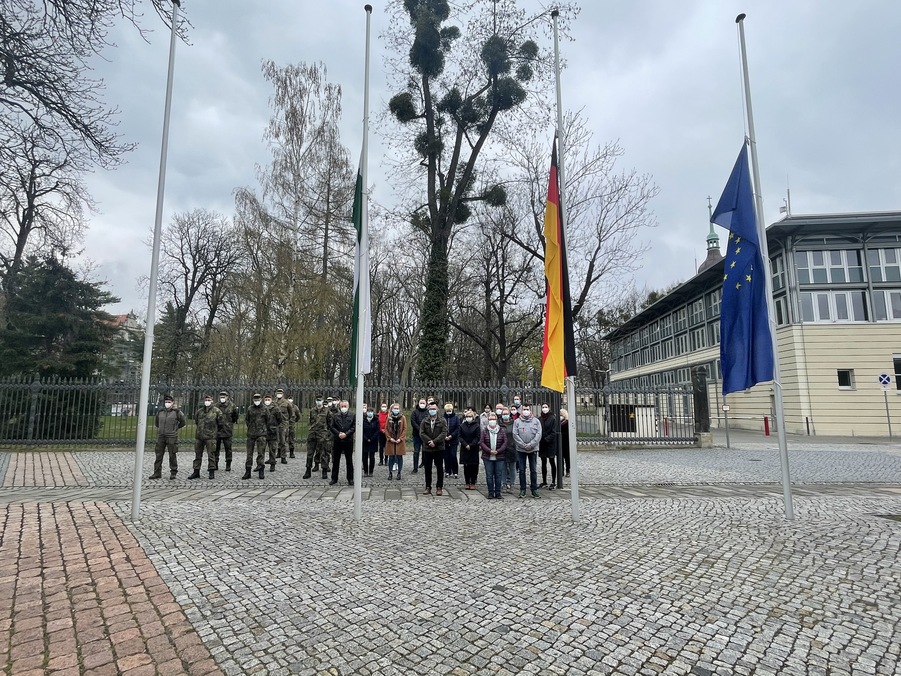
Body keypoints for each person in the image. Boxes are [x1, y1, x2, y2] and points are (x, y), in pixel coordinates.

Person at [150, 395, 185, 480]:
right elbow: (157, 423)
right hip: (161, 436)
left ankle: (173, 472)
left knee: (172, 455)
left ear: (173, 403)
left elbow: (183, 422)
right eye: (166, 402)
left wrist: (175, 429)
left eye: (169, 402)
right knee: (158, 455)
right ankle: (157, 472)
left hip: (172, 437)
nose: (167, 404)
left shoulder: (177, 412)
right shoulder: (160, 412)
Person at [512, 403, 542, 498]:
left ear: (530, 410)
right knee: (521, 470)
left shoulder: (536, 421)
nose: (526, 411)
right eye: (524, 409)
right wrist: (523, 445)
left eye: (527, 409)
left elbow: (538, 434)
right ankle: (522, 489)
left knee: (533, 470)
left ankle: (534, 490)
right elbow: (515, 434)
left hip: (533, 449)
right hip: (521, 450)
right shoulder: (517, 422)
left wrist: (531, 445)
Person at [190, 394, 222, 480]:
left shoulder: (217, 411)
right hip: (199, 436)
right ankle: (196, 471)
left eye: (209, 400)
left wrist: (214, 433)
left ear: (212, 401)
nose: (207, 401)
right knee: (197, 455)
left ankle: (211, 471)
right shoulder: (200, 411)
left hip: (210, 437)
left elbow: (220, 423)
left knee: (211, 455)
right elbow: (196, 421)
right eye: (206, 400)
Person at [419, 400, 447, 495]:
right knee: (428, 468)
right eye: (431, 409)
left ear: (437, 409)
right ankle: (428, 486)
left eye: (434, 409)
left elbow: (444, 433)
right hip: (427, 448)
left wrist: (434, 441)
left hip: (439, 448)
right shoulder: (425, 421)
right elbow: (421, 433)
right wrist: (429, 441)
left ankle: (439, 487)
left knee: (439, 468)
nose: (432, 411)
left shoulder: (442, 420)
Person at [480, 411, 507, 499]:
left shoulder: (501, 430)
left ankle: (498, 492)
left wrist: (498, 451)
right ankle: (490, 492)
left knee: (498, 475)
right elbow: (482, 442)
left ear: (496, 420)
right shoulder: (484, 431)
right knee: (489, 475)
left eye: (493, 419)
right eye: (490, 419)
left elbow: (505, 442)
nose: (492, 421)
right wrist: (489, 451)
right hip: (487, 456)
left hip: (499, 456)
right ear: (488, 420)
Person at [243, 393, 269, 480]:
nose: (256, 401)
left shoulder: (265, 409)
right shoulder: (250, 409)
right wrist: (250, 427)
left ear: (261, 399)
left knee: (261, 453)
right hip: (251, 434)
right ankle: (248, 471)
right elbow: (247, 419)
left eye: (258, 399)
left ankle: (261, 470)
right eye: (255, 399)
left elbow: (268, 420)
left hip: (261, 434)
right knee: (249, 454)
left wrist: (264, 429)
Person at [304, 395, 331, 479]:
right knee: (310, 453)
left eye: (320, 400)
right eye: (317, 400)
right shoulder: (312, 410)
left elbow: (330, 423)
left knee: (324, 453)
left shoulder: (327, 411)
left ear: (323, 401)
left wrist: (327, 434)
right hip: (312, 434)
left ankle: (324, 470)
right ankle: (308, 470)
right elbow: (310, 422)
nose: (318, 402)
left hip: (322, 434)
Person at [329, 399, 355, 486]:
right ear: (339, 407)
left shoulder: (352, 415)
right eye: (342, 406)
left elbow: (354, 427)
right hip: (337, 440)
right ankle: (334, 478)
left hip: (348, 440)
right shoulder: (335, 416)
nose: (344, 408)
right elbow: (332, 427)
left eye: (345, 406)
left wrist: (346, 434)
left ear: (348, 407)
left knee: (349, 460)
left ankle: (350, 478)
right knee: (336, 460)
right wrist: (338, 433)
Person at [214, 390, 239, 472]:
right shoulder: (216, 406)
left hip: (227, 430)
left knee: (228, 449)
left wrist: (230, 423)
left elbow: (235, 416)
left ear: (227, 397)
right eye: (221, 397)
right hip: (217, 430)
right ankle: (215, 463)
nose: (222, 398)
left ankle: (228, 464)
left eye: (224, 397)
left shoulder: (232, 406)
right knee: (215, 449)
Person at [458, 407, 481, 490]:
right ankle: (467, 482)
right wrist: (465, 444)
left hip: (474, 448)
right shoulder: (462, 426)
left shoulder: (476, 426)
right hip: (465, 448)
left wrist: (471, 445)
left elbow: (478, 437)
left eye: (470, 416)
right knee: (466, 466)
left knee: (474, 466)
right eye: (467, 416)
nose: (469, 418)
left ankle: (473, 482)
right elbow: (459, 436)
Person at [384, 403, 407, 480]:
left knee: (399, 456)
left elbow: (404, 429)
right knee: (391, 457)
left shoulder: (403, 418)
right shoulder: (389, 418)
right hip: (391, 440)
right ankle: (390, 473)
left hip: (399, 440)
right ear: (392, 409)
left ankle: (399, 473)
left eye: (397, 408)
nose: (396, 410)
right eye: (394, 408)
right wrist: (390, 438)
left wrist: (400, 438)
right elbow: (386, 429)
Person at [539, 403, 558, 489]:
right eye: (543, 407)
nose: (544, 408)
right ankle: (544, 481)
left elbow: (554, 432)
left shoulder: (553, 418)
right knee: (543, 462)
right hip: (542, 443)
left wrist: (547, 439)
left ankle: (553, 481)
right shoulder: (539, 419)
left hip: (550, 443)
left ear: (549, 408)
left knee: (552, 461)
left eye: (546, 407)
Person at [273, 387, 295, 464]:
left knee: (282, 441)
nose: (279, 394)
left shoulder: (286, 402)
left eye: (280, 393)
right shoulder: (273, 402)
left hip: (283, 423)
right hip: (275, 424)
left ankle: (283, 456)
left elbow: (291, 413)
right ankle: (277, 454)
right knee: (274, 441)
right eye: (277, 393)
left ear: (283, 394)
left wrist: (285, 420)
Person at [263, 395, 283, 471]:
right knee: (261, 450)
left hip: (272, 431)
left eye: (268, 399)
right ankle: (260, 464)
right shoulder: (262, 408)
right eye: (266, 399)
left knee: (272, 449)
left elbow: (280, 419)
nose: (267, 401)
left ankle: (272, 464)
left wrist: (274, 426)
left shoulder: (276, 409)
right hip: (263, 431)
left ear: (271, 400)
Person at [501, 405, 517, 493]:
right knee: (503, 467)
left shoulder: (514, 423)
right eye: (504, 414)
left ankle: (512, 484)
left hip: (512, 448)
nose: (505, 415)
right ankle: (504, 483)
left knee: (512, 467)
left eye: (506, 413)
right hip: (502, 448)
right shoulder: (499, 424)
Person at [410, 397, 428, 473]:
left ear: (426, 404)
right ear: (418, 403)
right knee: (416, 451)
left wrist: (423, 430)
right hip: (416, 435)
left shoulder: (428, 412)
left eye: (423, 403)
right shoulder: (414, 412)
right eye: (421, 403)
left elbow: (428, 421)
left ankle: (426, 465)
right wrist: (420, 429)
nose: (422, 404)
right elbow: (413, 422)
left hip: (426, 435)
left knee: (426, 451)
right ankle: (415, 468)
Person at [443, 402, 460, 479]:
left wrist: (451, 436)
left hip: (453, 440)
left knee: (453, 456)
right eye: (447, 410)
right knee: (446, 456)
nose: (448, 411)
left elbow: (457, 428)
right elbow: (442, 428)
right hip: (445, 440)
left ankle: (455, 471)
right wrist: (445, 436)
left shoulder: (456, 418)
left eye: (450, 410)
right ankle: (447, 471)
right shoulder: (443, 417)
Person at [362, 406, 380, 477]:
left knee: (372, 457)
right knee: (364, 457)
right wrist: (366, 438)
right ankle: (366, 471)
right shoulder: (363, 420)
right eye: (368, 411)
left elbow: (377, 430)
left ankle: (371, 471)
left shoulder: (376, 420)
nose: (370, 413)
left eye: (371, 412)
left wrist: (372, 438)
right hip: (365, 440)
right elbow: (361, 430)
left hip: (373, 440)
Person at [377, 402, 389, 466]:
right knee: (381, 447)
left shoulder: (389, 415)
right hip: (380, 433)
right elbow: (377, 424)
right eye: (383, 406)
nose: (384, 408)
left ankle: (386, 460)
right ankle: (381, 460)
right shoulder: (378, 415)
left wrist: (386, 430)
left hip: (387, 433)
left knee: (387, 447)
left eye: (385, 406)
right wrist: (381, 430)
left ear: (387, 407)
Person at [560, 408, 570, 477]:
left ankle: (567, 470)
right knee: (560, 457)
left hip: (566, 442)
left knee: (567, 457)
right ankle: (561, 470)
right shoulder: (559, 422)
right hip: (560, 442)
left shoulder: (567, 422)